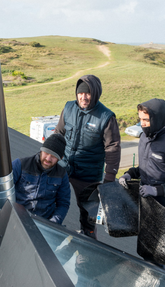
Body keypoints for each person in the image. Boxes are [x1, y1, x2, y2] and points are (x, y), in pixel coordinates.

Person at [119, 98, 165, 287]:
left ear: (159, 119)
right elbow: (148, 167)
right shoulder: (145, 137)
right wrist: (130, 174)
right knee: (153, 263)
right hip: (153, 211)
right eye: (140, 119)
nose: (142, 124)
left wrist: (158, 190)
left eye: (146, 120)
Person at [54, 75, 121, 238]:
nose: (83, 97)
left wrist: (109, 178)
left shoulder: (106, 117)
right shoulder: (68, 108)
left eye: (88, 93)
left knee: (88, 212)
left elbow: (112, 148)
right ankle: (51, 227)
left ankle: (88, 238)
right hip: (64, 167)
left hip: (87, 175)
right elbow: (58, 134)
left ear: (95, 94)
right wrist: (51, 158)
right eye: (80, 93)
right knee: (51, 196)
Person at [0, 134, 71, 225]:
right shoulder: (20, 165)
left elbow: (63, 204)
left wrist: (53, 223)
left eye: (53, 156)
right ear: (41, 150)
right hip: (15, 220)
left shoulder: (62, 175)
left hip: (42, 224)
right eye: (46, 153)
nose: (48, 158)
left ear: (60, 158)